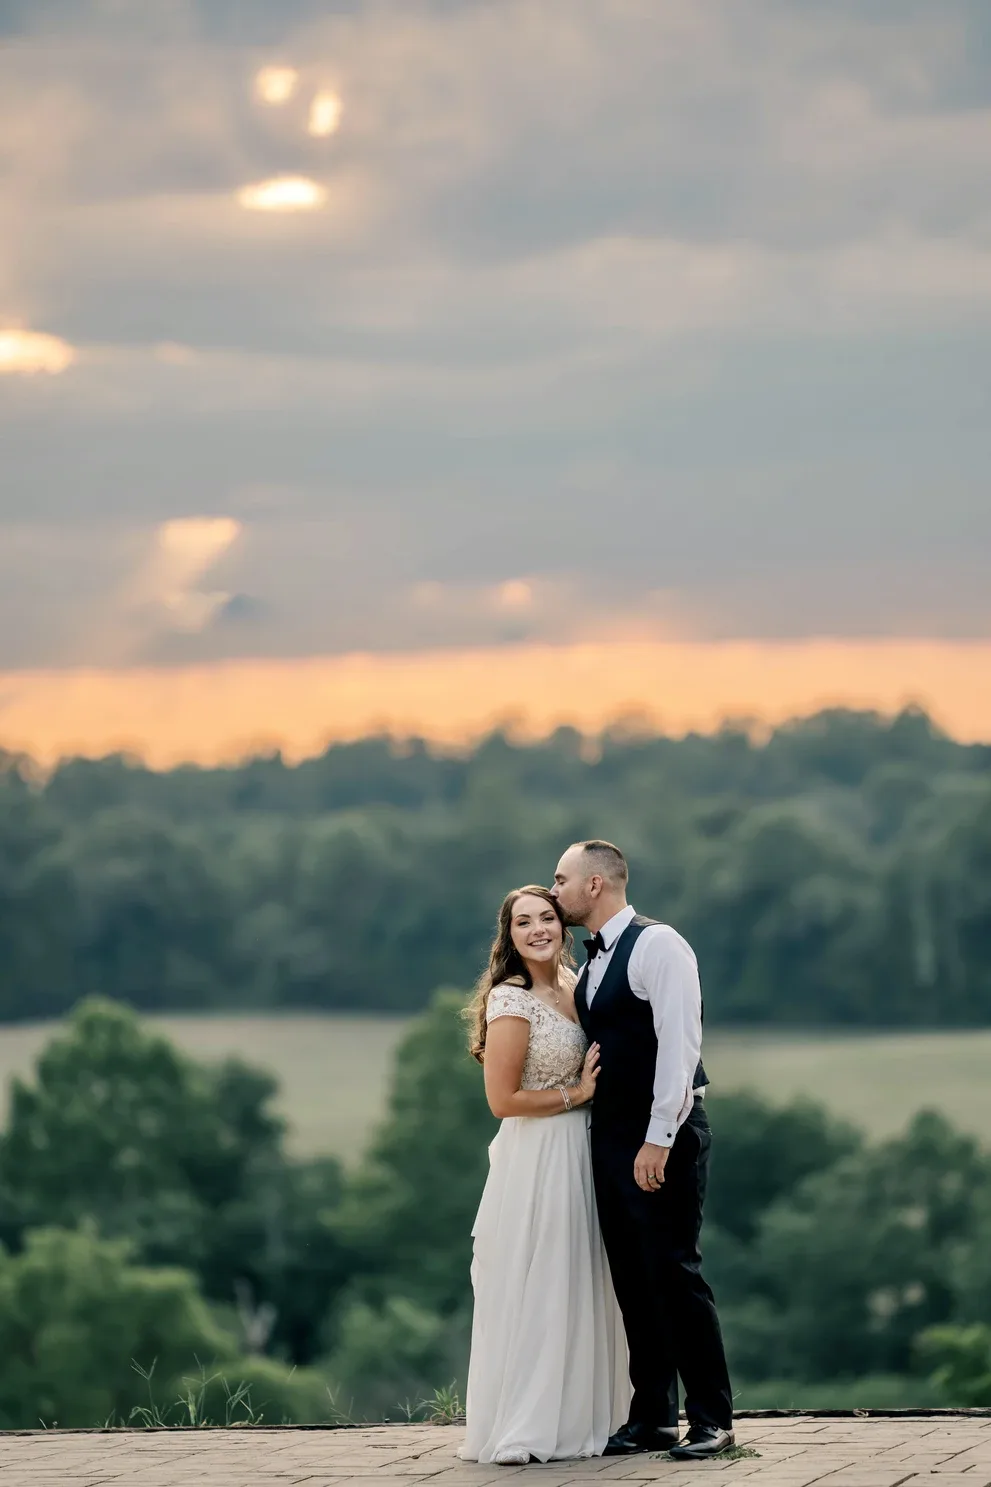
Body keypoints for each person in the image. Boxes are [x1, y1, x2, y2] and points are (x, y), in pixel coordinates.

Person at [551, 839, 735, 1460]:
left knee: (676, 1271)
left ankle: (713, 1418)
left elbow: (679, 1049)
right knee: (632, 1276)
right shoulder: (594, 962)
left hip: (664, 1134)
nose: (555, 892)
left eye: (561, 880)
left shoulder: (659, 946)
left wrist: (658, 1139)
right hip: (611, 1134)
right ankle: (652, 1415)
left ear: (595, 885)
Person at [459, 885, 631, 1465]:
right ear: (508, 937)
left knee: (585, 1276)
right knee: (542, 1280)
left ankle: (593, 1415)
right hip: (539, 1155)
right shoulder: (512, 1000)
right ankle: (528, 1426)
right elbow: (502, 1100)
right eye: (523, 922)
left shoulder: (576, 984)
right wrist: (576, 1093)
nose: (538, 929)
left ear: (564, 925)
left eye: (547, 918)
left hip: (585, 1150)